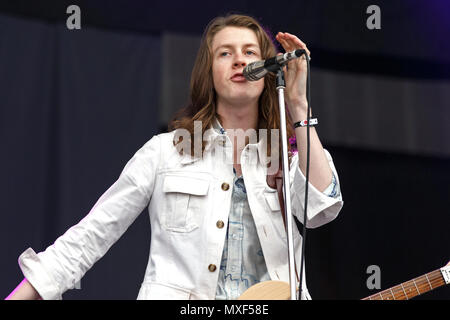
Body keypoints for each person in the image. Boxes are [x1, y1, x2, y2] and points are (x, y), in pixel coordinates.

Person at [5, 14, 343, 300]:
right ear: (208, 72)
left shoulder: (286, 155)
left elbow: (321, 208)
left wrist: (299, 105)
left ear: (267, 70)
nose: (240, 60)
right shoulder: (165, 152)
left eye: (250, 52)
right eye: (225, 53)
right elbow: (92, 234)